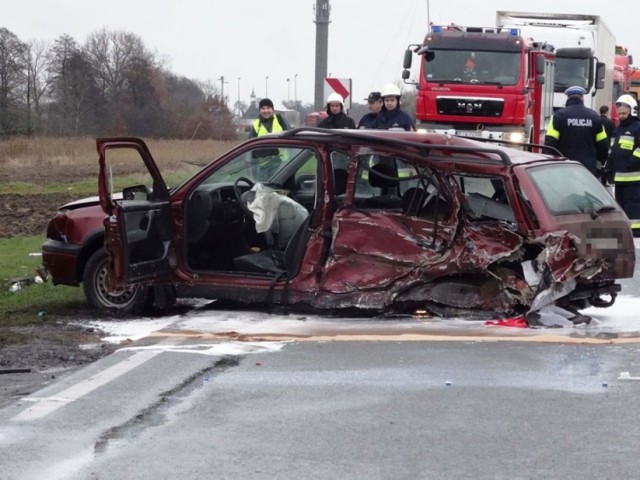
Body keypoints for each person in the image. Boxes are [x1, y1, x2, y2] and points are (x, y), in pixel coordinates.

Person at [544, 86, 608, 176]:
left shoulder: (558, 116)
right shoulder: (595, 117)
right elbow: (603, 145)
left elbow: (550, 143)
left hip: (563, 167)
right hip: (587, 168)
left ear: (568, 98)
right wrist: (599, 163)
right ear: (582, 98)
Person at [606, 94, 640, 237]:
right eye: (618, 109)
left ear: (632, 109)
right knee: (620, 205)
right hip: (619, 177)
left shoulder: (637, 126)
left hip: (634, 177)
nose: (620, 112)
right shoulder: (618, 129)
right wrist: (608, 167)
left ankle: (636, 230)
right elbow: (612, 150)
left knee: (632, 204)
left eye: (624, 109)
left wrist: (631, 163)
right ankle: (625, 229)